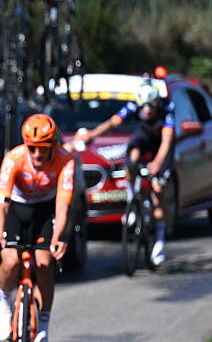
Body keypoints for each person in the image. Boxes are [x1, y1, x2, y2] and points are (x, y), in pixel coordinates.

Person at [0, 114, 75, 342]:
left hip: (45, 211)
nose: (38, 154)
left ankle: (43, 332)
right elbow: (2, 205)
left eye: (44, 148)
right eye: (33, 148)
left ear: (53, 145)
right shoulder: (14, 158)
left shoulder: (65, 160)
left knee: (44, 263)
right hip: (17, 209)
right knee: (10, 260)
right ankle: (6, 305)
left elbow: (62, 207)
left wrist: (58, 238)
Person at [75, 78, 175, 265]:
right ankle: (132, 198)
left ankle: (159, 242)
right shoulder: (134, 106)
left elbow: (167, 141)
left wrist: (157, 162)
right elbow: (113, 123)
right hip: (144, 137)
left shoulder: (167, 109)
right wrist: (92, 134)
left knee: (158, 192)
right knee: (132, 159)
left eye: (150, 108)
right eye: (143, 108)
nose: (147, 111)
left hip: (161, 145)